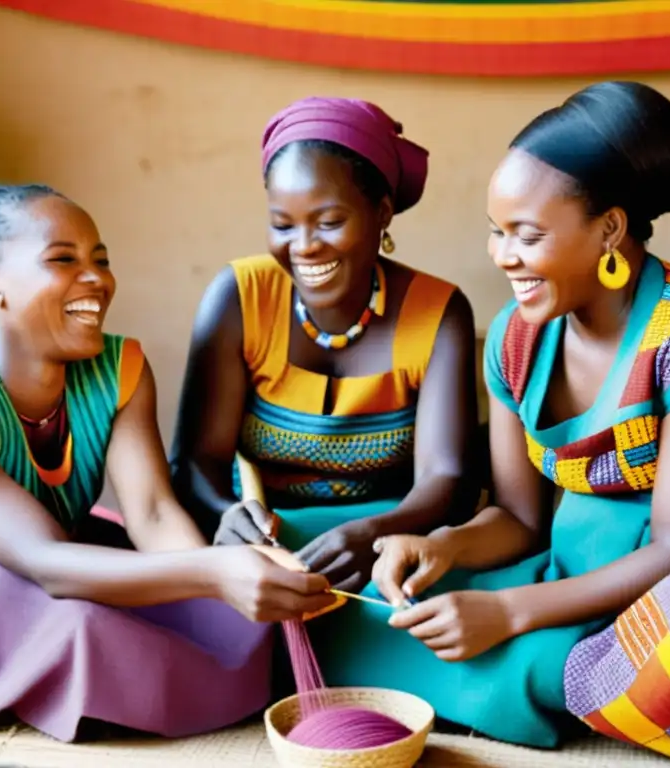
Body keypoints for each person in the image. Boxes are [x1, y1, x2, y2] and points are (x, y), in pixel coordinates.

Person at [324, 82, 670, 768]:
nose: (503, 255)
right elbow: (518, 521)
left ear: (610, 230)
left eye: (527, 236)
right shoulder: (513, 342)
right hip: (618, 602)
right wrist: (443, 546)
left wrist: (509, 613)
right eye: (497, 231)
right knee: (548, 663)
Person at [0, 176, 335, 743]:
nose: (97, 279)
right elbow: (44, 559)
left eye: (100, 258)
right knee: (47, 610)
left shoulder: (120, 368)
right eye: (63, 259)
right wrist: (212, 573)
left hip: (52, 565)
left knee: (234, 618)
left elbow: (155, 516)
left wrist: (223, 584)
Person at [169, 96, 478, 599]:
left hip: (388, 556)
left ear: (381, 214)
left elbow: (447, 478)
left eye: (329, 221)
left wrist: (374, 535)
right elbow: (195, 463)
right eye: (283, 224)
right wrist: (227, 517)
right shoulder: (239, 297)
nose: (304, 245)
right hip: (261, 558)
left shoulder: (439, 312)